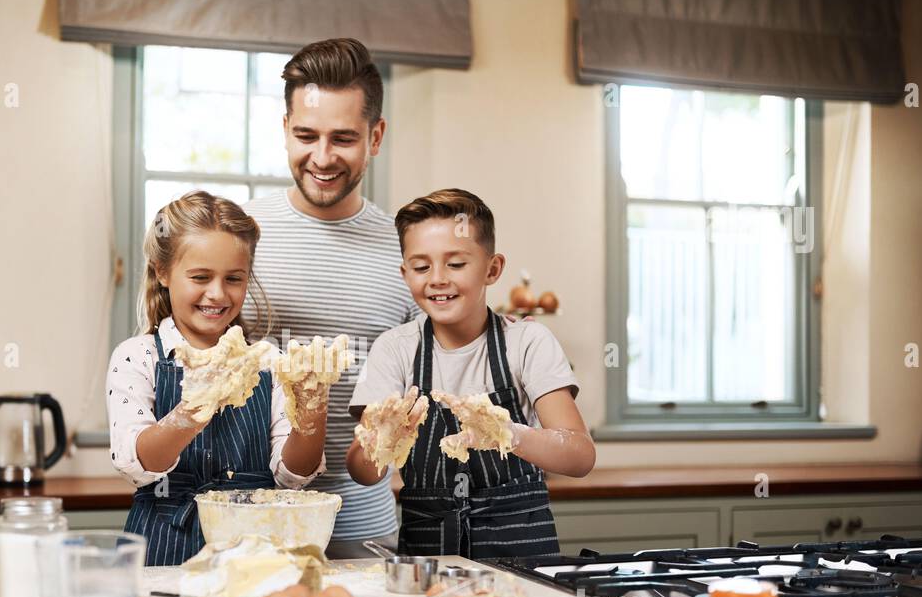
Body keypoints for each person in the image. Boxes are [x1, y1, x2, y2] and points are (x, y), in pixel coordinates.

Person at [346, 188, 595, 559]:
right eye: (421, 266)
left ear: (492, 269)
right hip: (429, 564)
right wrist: (383, 439)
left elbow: (579, 455)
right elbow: (363, 472)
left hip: (523, 559)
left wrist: (508, 433)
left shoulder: (527, 342)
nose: (437, 279)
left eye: (456, 264)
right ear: (405, 273)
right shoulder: (393, 350)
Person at [244, 38, 416, 558]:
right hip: (248, 521)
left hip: (364, 525)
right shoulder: (239, 235)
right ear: (285, 130)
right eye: (306, 135)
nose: (322, 158)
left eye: (343, 138)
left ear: (376, 136)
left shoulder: (408, 252)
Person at [107, 191, 327, 566]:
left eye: (234, 279)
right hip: (163, 544)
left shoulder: (269, 361)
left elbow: (293, 476)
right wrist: (191, 410)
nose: (217, 293)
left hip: (254, 549)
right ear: (162, 271)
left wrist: (312, 412)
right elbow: (139, 462)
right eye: (200, 277)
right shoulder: (136, 356)